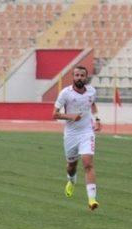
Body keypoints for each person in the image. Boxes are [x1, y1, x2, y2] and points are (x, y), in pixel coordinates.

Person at [53, 65, 102, 210]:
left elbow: (92, 104)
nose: (79, 78)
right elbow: (54, 114)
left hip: (87, 132)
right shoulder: (65, 94)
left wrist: (97, 119)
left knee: (88, 163)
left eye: (82, 75)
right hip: (71, 134)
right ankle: (71, 180)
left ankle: (92, 200)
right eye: (77, 75)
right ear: (73, 77)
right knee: (71, 166)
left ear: (86, 77)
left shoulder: (91, 91)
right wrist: (70, 116)